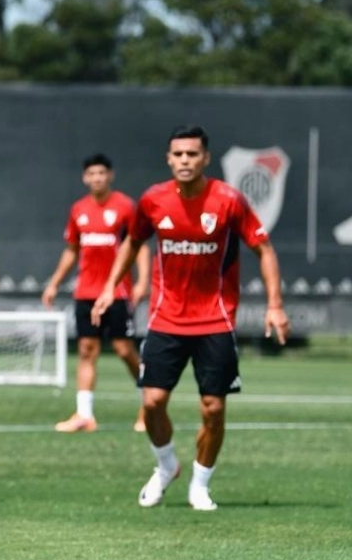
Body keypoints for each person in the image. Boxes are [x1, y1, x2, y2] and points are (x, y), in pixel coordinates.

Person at [92, 125, 289, 511]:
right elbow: (132, 242)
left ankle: (200, 485)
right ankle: (167, 466)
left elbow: (264, 249)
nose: (185, 160)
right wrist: (109, 287)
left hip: (215, 320)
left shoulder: (228, 200)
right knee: (152, 402)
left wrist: (275, 304)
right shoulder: (153, 200)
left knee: (213, 408)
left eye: (192, 154)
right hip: (165, 319)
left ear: (205, 158)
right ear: (169, 159)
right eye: (178, 154)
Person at [42, 153, 151, 433]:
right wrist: (54, 283)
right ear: (85, 178)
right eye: (92, 174)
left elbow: (139, 245)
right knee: (86, 350)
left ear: (110, 175)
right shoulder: (79, 209)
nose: (97, 178)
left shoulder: (125, 206)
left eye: (101, 173)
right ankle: (84, 415)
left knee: (123, 349)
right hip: (86, 293)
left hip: (117, 292)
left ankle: (150, 404)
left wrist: (142, 282)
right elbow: (72, 250)